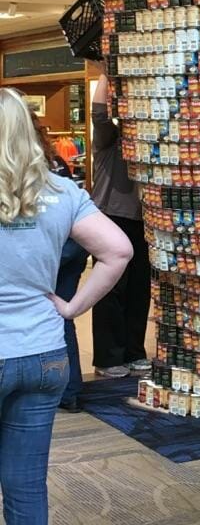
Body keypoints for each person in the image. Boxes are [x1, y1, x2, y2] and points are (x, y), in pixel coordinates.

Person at [0, 87, 133, 525]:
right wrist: (73, 308)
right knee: (26, 487)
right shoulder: (61, 191)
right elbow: (118, 251)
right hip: (44, 354)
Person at [91, 66, 151, 378]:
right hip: (108, 218)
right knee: (111, 288)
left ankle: (133, 351)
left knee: (139, 289)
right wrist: (104, 71)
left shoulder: (148, 143)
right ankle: (108, 356)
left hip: (144, 219)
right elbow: (99, 115)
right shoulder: (108, 140)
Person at [31, 113, 88, 413]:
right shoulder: (60, 165)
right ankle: (71, 390)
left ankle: (50, 386)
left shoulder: (23, 168)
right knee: (63, 315)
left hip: (50, 248)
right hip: (74, 246)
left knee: (41, 313)